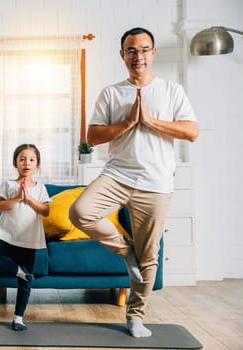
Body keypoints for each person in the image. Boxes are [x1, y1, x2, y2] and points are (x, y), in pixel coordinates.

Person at [68, 27, 198, 338]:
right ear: (122, 55)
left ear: (152, 53)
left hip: (155, 181)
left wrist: (151, 122)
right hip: (117, 175)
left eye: (143, 50)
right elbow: (93, 137)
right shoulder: (112, 93)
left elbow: (191, 131)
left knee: (149, 255)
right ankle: (126, 252)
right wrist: (128, 122)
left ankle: (136, 316)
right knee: (80, 212)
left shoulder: (172, 90)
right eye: (130, 50)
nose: (137, 56)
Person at [0, 144, 51, 331]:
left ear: (37, 164)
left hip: (28, 240)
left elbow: (45, 211)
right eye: (22, 159)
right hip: (5, 236)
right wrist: (18, 198)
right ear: (15, 163)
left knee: (25, 283)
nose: (26, 163)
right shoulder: (8, 185)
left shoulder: (40, 188)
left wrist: (29, 199)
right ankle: (17, 270)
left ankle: (18, 317)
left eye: (31, 160)